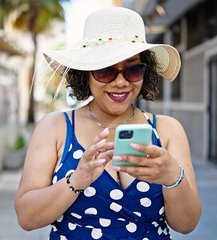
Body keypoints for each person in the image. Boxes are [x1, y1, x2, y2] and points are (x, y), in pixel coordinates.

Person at [14, 7, 201, 240]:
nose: (121, 82)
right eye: (105, 71)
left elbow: (186, 224)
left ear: (146, 71)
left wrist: (173, 177)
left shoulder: (168, 130)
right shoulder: (55, 127)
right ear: (85, 74)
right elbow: (26, 217)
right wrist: (75, 181)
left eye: (133, 70)